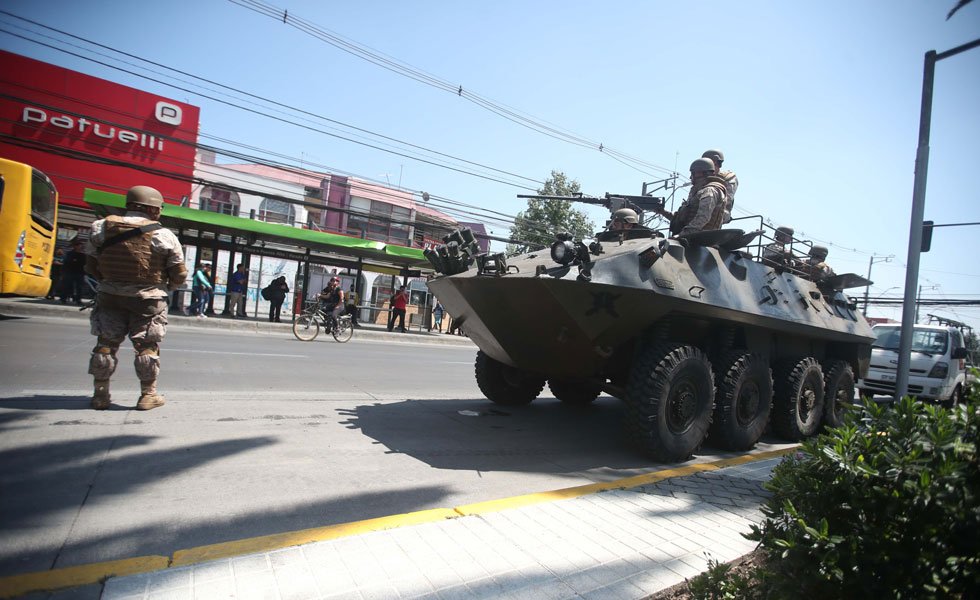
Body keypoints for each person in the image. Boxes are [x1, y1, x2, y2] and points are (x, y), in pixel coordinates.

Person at [84, 185, 186, 411]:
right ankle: (148, 395)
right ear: (153, 209)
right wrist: (169, 286)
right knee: (146, 346)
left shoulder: (100, 227)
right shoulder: (163, 234)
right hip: (148, 300)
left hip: (110, 296)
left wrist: (109, 282)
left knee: (105, 345)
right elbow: (179, 273)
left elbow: (90, 265)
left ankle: (100, 395)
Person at [658, 158, 727, 237]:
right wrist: (663, 212)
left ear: (701, 173)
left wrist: (683, 234)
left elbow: (703, 217)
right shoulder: (700, 192)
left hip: (701, 239)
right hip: (693, 238)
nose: (690, 177)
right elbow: (683, 219)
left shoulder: (709, 190)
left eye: (693, 173)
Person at [701, 149, 739, 223]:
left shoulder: (728, 177)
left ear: (717, 163)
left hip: (719, 212)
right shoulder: (701, 178)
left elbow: (726, 200)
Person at [59, 239, 87, 305]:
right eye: (79, 246)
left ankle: (78, 299)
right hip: (70, 272)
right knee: (67, 286)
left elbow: (85, 264)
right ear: (75, 246)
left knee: (79, 287)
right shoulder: (70, 254)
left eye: (81, 246)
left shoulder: (83, 255)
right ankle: (63, 298)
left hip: (80, 273)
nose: (80, 247)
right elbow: (66, 263)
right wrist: (63, 272)